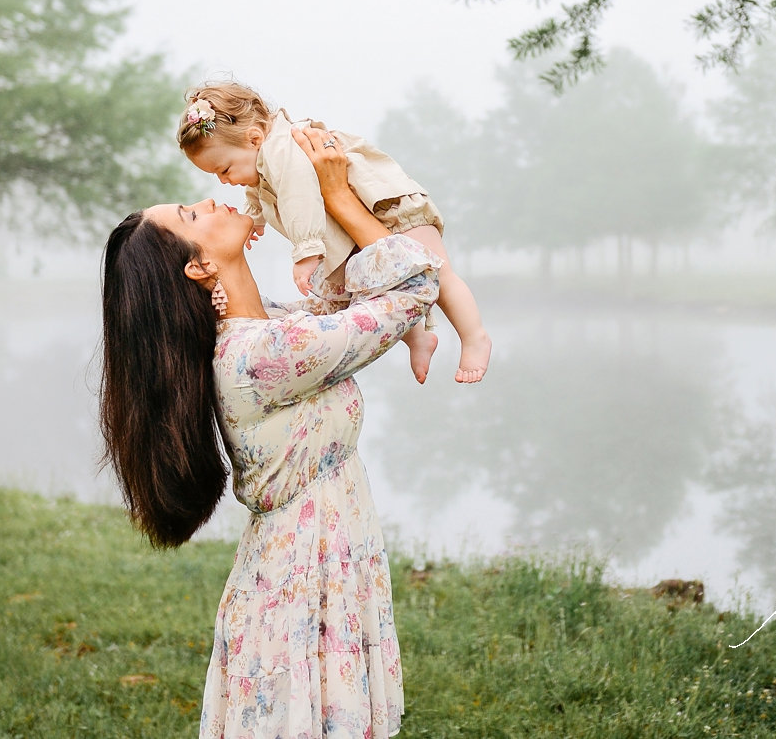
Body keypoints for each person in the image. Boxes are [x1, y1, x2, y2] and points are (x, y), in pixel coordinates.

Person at [99, 126, 439, 739]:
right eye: (190, 212)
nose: (207, 198)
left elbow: (342, 296)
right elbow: (413, 285)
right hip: (303, 576)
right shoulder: (263, 356)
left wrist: (306, 199)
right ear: (200, 265)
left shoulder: (272, 330)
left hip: (314, 563)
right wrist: (338, 199)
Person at [176, 80, 491, 384]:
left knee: (439, 274)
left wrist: (306, 250)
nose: (223, 181)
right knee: (381, 286)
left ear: (255, 138)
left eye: (225, 169)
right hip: (364, 215)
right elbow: (257, 193)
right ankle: (418, 338)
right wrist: (254, 220)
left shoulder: (282, 151)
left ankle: (474, 337)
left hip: (388, 205)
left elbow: (299, 195)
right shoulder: (262, 162)